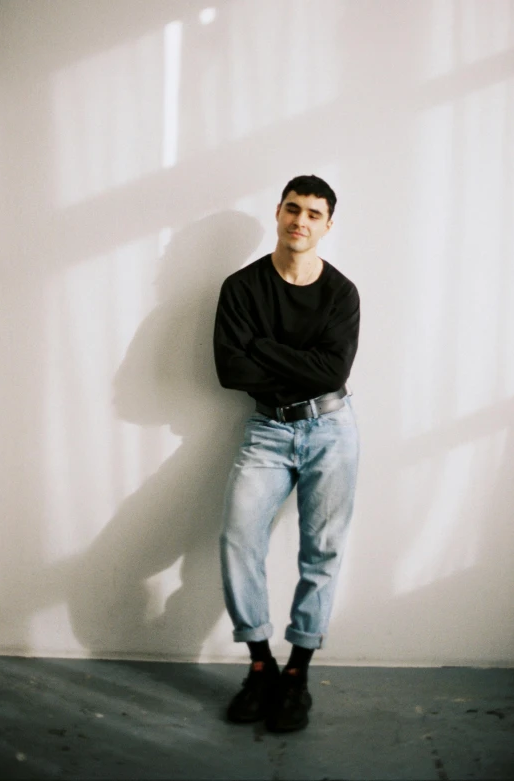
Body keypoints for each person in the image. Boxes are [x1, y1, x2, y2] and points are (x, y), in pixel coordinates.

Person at [213, 174, 360, 732]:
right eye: (293, 209)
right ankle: (260, 664)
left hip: (332, 428)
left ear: (327, 225)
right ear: (277, 214)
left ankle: (297, 674)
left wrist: (264, 347)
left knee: (321, 550)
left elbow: (333, 371)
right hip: (267, 430)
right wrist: (297, 360)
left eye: (314, 213)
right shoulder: (241, 287)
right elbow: (231, 371)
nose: (301, 220)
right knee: (237, 539)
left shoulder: (341, 293)